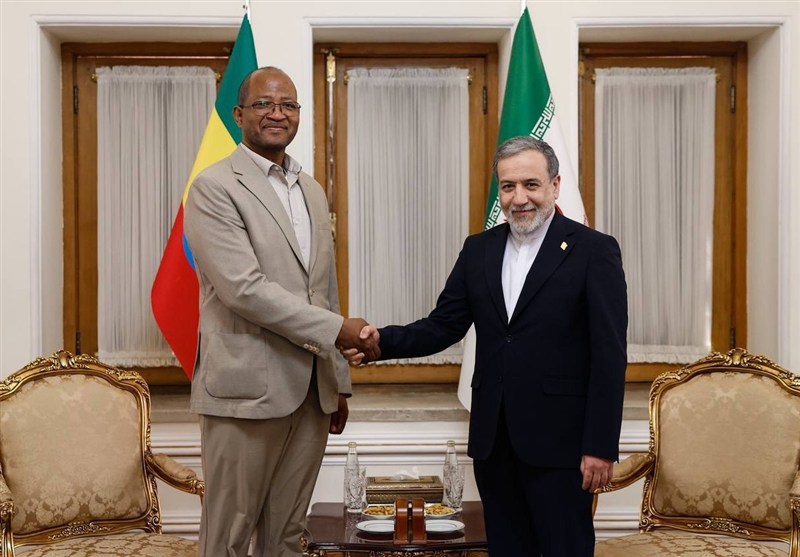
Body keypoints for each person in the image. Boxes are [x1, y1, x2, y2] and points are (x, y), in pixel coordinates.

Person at [346, 136, 628, 556]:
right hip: (494, 442)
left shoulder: (593, 250)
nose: (520, 198)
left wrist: (600, 446)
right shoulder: (479, 249)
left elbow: (609, 355)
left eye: (531, 185)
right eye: (508, 186)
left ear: (555, 185)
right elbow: (442, 326)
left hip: (563, 445)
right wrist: (379, 342)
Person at [184, 66, 378, 557]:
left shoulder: (310, 189)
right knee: (227, 538)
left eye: (288, 105)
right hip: (245, 391)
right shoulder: (213, 187)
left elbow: (322, 288)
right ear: (239, 114)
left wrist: (336, 382)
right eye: (264, 104)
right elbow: (244, 290)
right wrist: (340, 331)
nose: (277, 113)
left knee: (288, 537)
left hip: (312, 394)